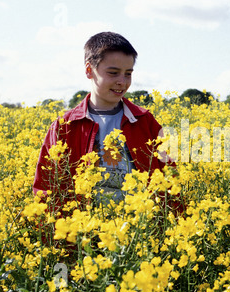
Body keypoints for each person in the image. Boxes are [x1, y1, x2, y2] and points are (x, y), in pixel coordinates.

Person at [33, 32, 181, 217]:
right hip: (83, 233)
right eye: (113, 73)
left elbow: (171, 176)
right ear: (89, 70)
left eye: (128, 74)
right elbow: (46, 187)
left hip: (139, 231)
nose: (122, 81)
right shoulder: (65, 126)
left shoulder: (146, 121)